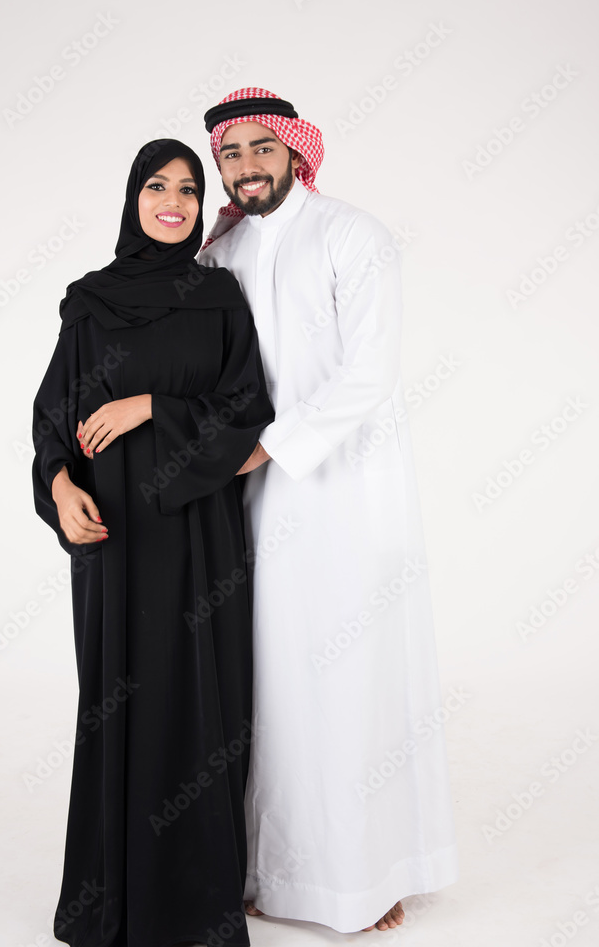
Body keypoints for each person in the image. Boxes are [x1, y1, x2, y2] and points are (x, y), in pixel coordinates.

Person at [198, 88, 459, 934]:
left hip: (347, 491)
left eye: (257, 149)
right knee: (266, 684)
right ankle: (266, 870)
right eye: (229, 154)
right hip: (249, 496)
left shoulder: (351, 233)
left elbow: (368, 372)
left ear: (293, 150)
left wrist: (268, 446)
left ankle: (364, 872)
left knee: (349, 680)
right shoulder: (223, 251)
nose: (244, 166)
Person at [32, 137, 275, 947]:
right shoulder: (89, 301)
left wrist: (150, 408)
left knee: (198, 704)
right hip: (113, 537)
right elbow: (51, 420)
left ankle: (194, 906)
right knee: (116, 701)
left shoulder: (221, 298)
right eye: (156, 185)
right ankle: (110, 900)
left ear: (202, 206)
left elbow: (247, 415)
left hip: (199, 533)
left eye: (187, 188)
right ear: (133, 196)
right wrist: (60, 488)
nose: (173, 201)